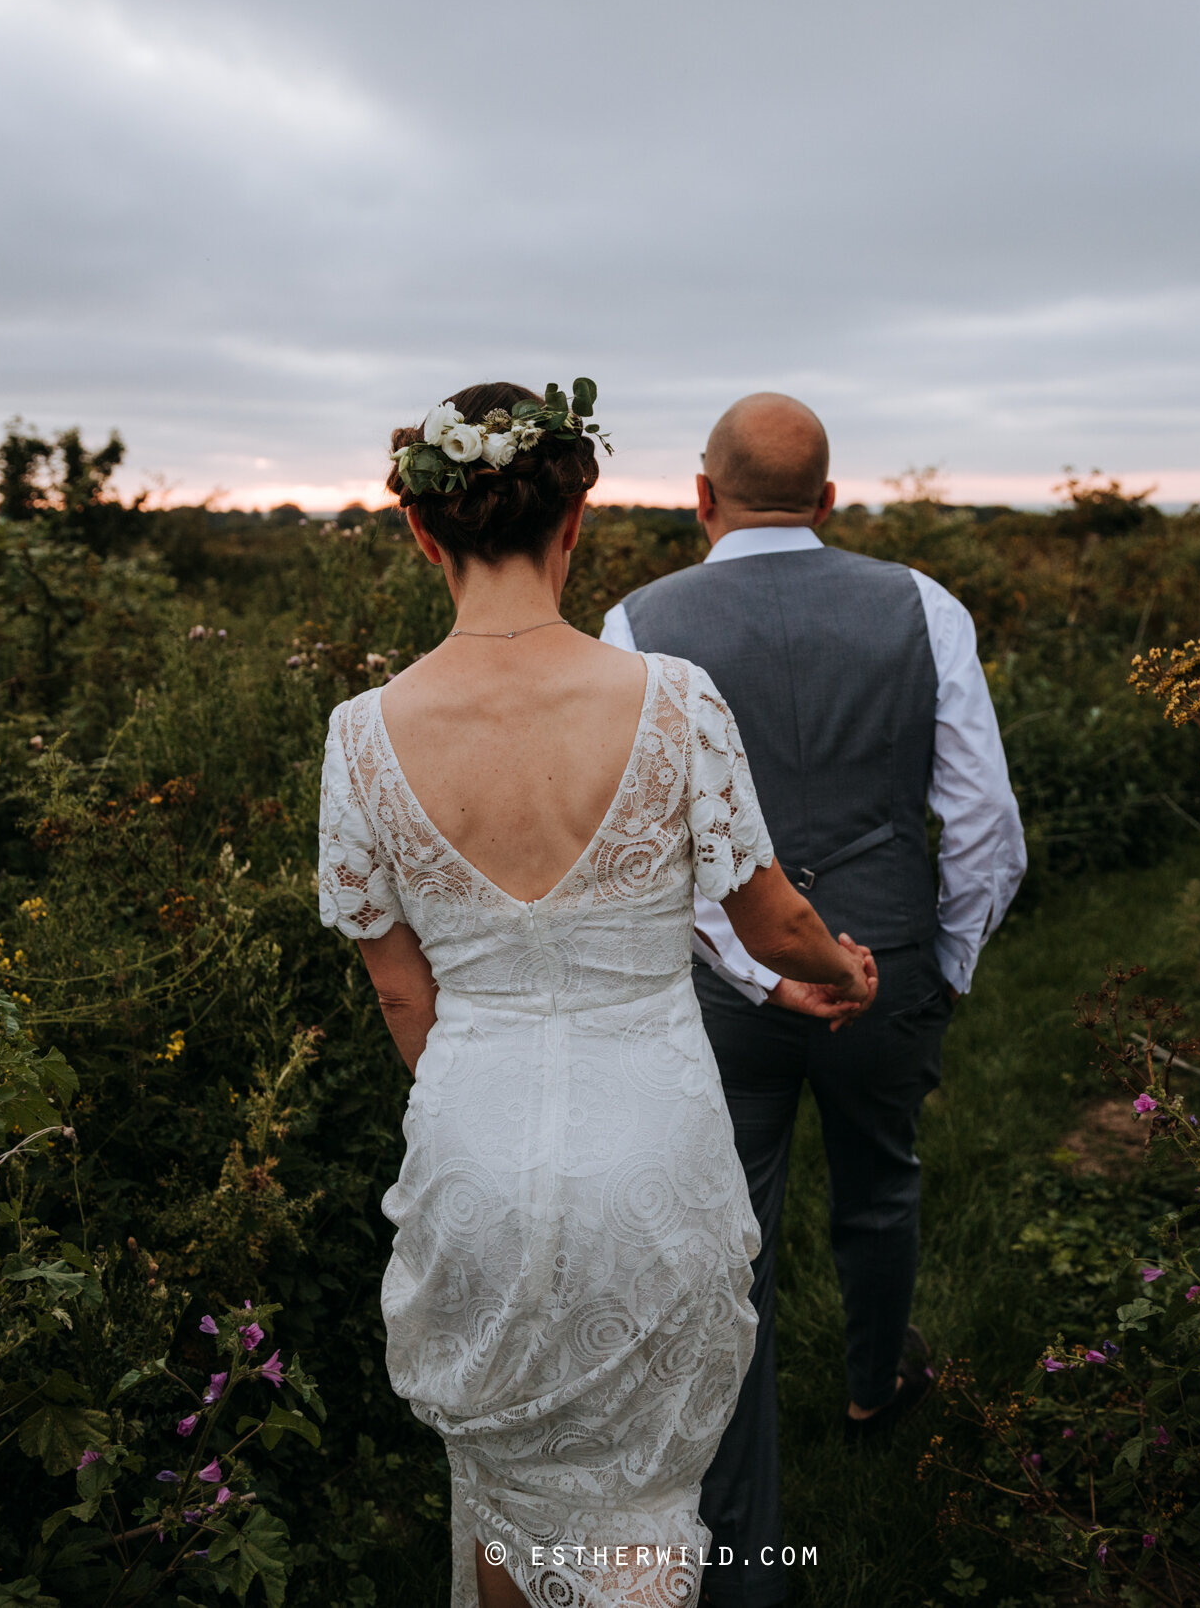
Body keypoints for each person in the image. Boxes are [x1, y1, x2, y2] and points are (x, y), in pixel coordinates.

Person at [316, 380, 880, 1608]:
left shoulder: (360, 733)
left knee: (502, 1487)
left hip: (471, 1148)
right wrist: (840, 968)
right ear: (578, 518)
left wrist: (486, 1092)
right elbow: (767, 915)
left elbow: (402, 993)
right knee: (635, 1508)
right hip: (653, 1150)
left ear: (423, 530)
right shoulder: (672, 700)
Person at [601, 392, 1026, 1608]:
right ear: (829, 499)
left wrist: (740, 968)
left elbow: (644, 847)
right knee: (881, 1182)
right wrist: (941, 960)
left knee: (727, 1238)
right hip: (883, 966)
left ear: (701, 498)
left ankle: (738, 1528)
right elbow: (986, 822)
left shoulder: (636, 622)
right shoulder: (920, 603)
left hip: (726, 993)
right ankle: (874, 1380)